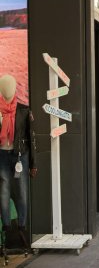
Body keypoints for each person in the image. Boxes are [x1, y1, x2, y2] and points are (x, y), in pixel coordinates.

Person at [0, 74, 37, 245]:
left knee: (22, 192)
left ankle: (22, 227)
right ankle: (7, 228)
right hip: (2, 156)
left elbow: (31, 138)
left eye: (10, 86)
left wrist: (33, 164)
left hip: (20, 156)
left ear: (15, 88)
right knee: (4, 192)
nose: (7, 90)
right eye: (4, 86)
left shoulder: (23, 110)